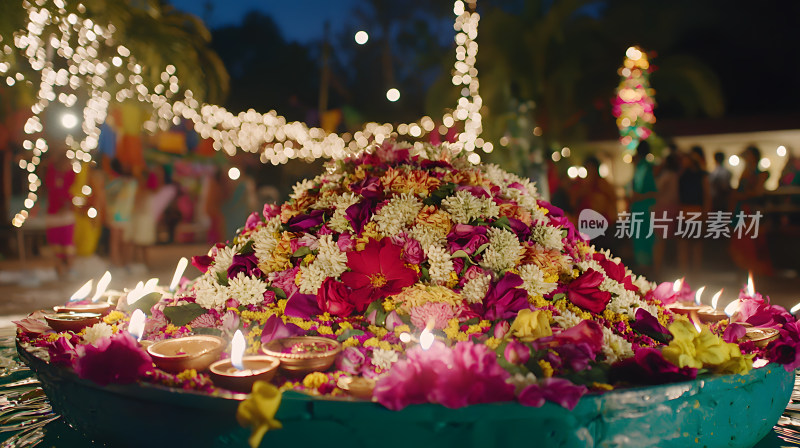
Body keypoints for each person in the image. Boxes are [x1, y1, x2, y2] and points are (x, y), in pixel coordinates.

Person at [730, 145, 772, 276]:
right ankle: (745, 273)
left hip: (752, 211)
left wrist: (741, 196)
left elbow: (758, 192)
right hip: (742, 211)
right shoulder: (746, 173)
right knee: (741, 243)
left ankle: (754, 274)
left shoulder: (760, 174)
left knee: (751, 243)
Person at [43, 146, 76, 277]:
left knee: (68, 243)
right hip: (53, 215)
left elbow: (69, 189)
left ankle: (70, 268)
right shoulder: (51, 172)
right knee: (55, 245)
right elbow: (50, 186)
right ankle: (59, 269)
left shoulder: (70, 174)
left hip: (66, 215)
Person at [571, 155, 617, 250]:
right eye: (588, 168)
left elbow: (612, 200)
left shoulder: (603, 183)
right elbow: (573, 202)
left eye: (592, 168)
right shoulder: (582, 184)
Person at [677, 146, 710, 273]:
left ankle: (696, 273)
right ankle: (684, 273)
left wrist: (706, 214)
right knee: (683, 245)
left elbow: (707, 196)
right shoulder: (682, 174)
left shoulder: (701, 175)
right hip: (684, 212)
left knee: (696, 246)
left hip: (696, 212)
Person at [628, 140, 658, 272]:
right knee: (645, 236)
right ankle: (645, 265)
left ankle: (645, 266)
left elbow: (645, 190)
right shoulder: (645, 166)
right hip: (643, 207)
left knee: (643, 237)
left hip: (643, 207)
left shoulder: (645, 167)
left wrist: (638, 197)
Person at [652, 153, 682, 276]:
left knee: (659, 240)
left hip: (664, 209)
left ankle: (658, 268)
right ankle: (665, 266)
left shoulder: (666, 175)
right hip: (672, 208)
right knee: (668, 240)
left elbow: (657, 189)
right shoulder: (676, 175)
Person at [105, 158, 138, 268]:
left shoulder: (131, 183)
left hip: (126, 215)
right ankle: (116, 263)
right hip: (117, 215)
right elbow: (107, 196)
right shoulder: (117, 183)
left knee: (125, 241)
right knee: (116, 241)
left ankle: (123, 263)